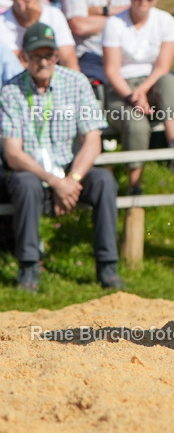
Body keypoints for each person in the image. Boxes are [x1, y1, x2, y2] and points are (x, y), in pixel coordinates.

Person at [1, 21, 123, 293]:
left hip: (70, 169)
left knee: (103, 180)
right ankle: (29, 267)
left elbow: (93, 140)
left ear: (56, 56)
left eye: (48, 55)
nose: (43, 61)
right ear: (25, 57)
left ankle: (108, 266)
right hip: (33, 173)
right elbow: (12, 152)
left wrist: (72, 179)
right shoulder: (10, 92)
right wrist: (55, 183)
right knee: (24, 184)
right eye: (36, 55)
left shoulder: (76, 82)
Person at [102, 0, 174, 194]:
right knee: (136, 124)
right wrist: (132, 96)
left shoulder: (166, 22)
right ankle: (134, 183)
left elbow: (162, 67)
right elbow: (112, 71)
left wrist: (143, 91)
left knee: (169, 81)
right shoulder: (114, 23)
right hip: (121, 88)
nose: (143, 0)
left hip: (153, 84)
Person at [0, 0, 77, 69]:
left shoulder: (54, 15)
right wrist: (30, 22)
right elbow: (15, 67)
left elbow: (68, 59)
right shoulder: (2, 22)